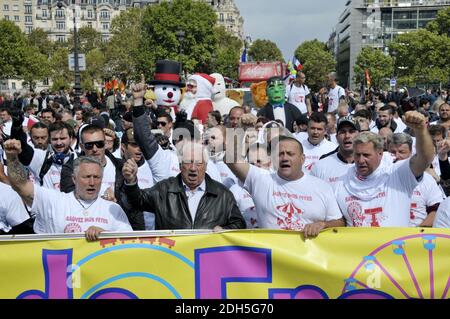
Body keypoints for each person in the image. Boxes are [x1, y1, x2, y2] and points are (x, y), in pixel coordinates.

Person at [5, 144, 132, 241]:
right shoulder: (54, 201)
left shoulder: (113, 209)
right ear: (74, 179)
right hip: (61, 272)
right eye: (86, 177)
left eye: (96, 177)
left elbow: (128, 245)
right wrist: (11, 157)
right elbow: (21, 185)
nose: (92, 182)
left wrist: (106, 236)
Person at [226, 135, 344, 237]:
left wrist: (323, 225)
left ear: (302, 159)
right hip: (272, 259)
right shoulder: (261, 180)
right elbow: (229, 159)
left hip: (309, 260)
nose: (285, 158)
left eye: (290, 154)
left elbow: (339, 223)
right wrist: (242, 136)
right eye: (280, 154)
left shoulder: (322, 187)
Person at [333, 111, 435, 227]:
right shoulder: (341, 183)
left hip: (396, 245)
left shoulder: (398, 173)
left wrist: (421, 131)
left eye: (366, 155)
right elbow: (336, 220)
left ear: (380, 153)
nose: (361, 160)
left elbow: (425, 158)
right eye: (357, 155)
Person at [122, 142, 246, 230]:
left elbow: (239, 224)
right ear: (180, 165)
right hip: (173, 258)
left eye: (198, 163)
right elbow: (137, 201)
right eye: (188, 162)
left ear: (206, 166)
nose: (193, 168)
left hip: (206, 261)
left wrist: (224, 230)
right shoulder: (164, 190)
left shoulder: (223, 195)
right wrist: (131, 181)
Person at [387, 133, 444, 227]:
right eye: (392, 152)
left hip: (418, 235)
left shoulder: (427, 179)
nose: (397, 156)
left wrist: (415, 234)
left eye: (401, 152)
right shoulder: (382, 177)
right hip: (388, 236)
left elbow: (436, 211)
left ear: (410, 153)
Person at [311, 116, 359, 186]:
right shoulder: (321, 165)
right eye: (342, 132)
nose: (347, 136)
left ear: (360, 135)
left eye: (351, 131)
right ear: (336, 137)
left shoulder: (370, 163)